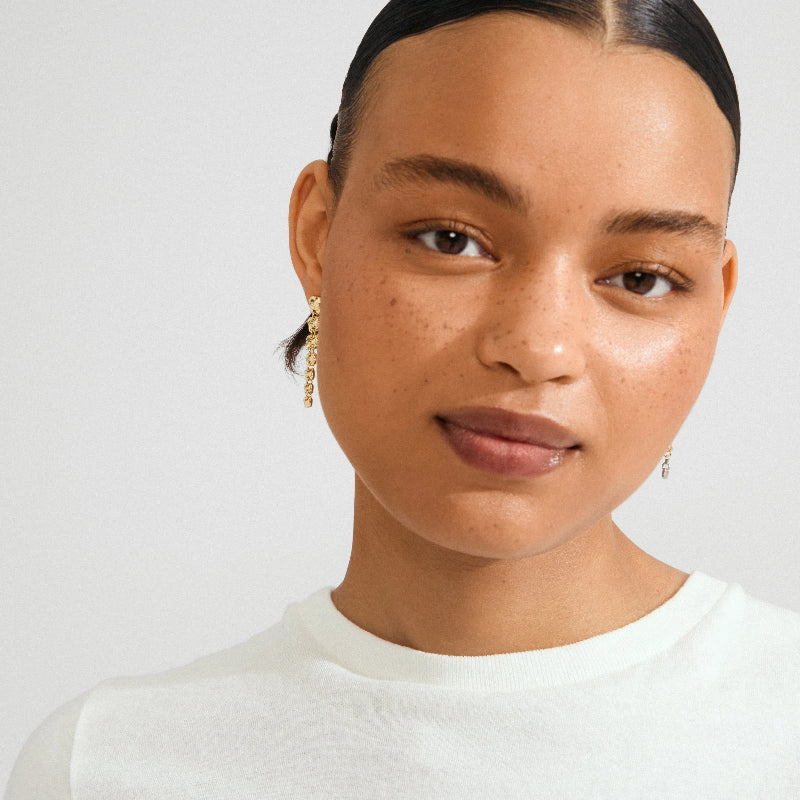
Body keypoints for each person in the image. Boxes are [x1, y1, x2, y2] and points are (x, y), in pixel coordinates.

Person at [6, 0, 799, 797]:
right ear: (319, 234)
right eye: (451, 239)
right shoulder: (104, 766)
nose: (538, 348)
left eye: (640, 278)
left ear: (716, 304)